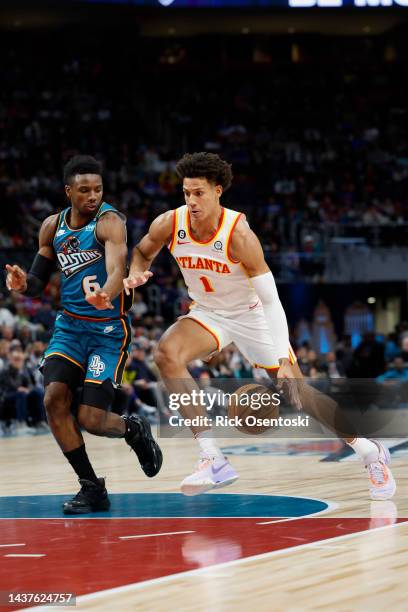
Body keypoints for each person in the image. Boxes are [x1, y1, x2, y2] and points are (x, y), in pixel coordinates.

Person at [123, 152, 396, 501]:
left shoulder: (239, 235)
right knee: (166, 354)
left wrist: (283, 358)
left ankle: (369, 453)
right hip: (209, 312)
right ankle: (212, 458)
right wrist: (135, 272)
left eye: (199, 193)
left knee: (300, 394)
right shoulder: (169, 223)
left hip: (252, 315)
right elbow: (143, 251)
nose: (191, 200)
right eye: (186, 193)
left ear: (218, 191)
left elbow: (271, 301)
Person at [5, 155, 162, 514]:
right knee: (52, 400)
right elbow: (37, 282)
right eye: (84, 190)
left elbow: (114, 269)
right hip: (70, 327)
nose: (93, 196)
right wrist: (21, 284)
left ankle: (133, 429)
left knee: (92, 420)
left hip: (107, 331)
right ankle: (91, 487)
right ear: (68, 192)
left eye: (98, 189)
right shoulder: (51, 227)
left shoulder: (110, 223)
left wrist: (106, 293)